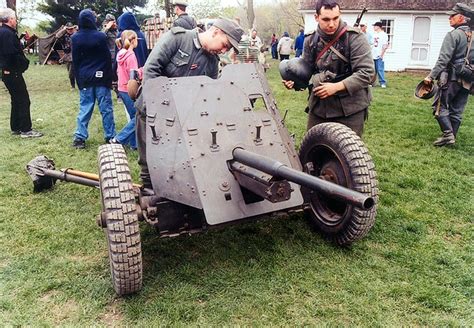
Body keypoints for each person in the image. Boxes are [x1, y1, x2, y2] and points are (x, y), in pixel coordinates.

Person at [136, 18, 244, 189]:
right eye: (224, 44)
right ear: (215, 32)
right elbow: (151, 68)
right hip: (153, 108)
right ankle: (149, 185)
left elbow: (208, 92)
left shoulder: (212, 62)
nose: (223, 50)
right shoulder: (178, 38)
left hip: (183, 116)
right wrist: (156, 105)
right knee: (150, 154)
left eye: (228, 49)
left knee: (176, 157)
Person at [282, 0, 374, 137]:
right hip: (319, 107)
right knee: (313, 149)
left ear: (340, 14)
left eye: (335, 18)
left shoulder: (355, 38)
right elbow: (307, 71)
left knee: (346, 154)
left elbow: (367, 72)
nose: (331, 24)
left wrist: (336, 87)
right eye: (326, 19)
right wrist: (295, 82)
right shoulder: (310, 40)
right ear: (316, 17)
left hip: (350, 108)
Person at [424, 3, 473, 147]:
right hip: (468, 79)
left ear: (462, 18)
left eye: (453, 16)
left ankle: (447, 135)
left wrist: (431, 76)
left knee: (439, 107)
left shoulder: (453, 35)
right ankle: (452, 136)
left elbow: (443, 59)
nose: (449, 18)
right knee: (457, 110)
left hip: (451, 78)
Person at [71, 9, 115, 149]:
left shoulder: (75, 38)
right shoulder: (100, 36)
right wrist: (110, 78)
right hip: (101, 77)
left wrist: (78, 80)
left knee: (85, 108)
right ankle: (110, 136)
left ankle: (79, 138)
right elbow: (107, 58)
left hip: (85, 78)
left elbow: (76, 61)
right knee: (106, 109)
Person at [0, 8, 43, 138]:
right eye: (14, 18)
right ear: (10, 19)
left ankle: (16, 126)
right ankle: (26, 130)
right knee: (24, 100)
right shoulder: (7, 34)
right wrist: (23, 63)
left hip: (8, 72)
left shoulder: (4, 32)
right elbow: (11, 54)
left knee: (16, 100)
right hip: (13, 72)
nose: (16, 20)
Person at [109, 30, 142, 150]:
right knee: (139, 116)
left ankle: (134, 145)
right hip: (129, 89)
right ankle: (118, 139)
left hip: (121, 89)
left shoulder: (120, 54)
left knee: (134, 115)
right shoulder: (131, 55)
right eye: (137, 39)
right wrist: (142, 71)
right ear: (133, 40)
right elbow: (133, 76)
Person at [56, 22, 77, 89]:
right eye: (68, 29)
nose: (70, 30)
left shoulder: (77, 35)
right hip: (68, 56)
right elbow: (57, 36)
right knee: (70, 73)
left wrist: (76, 29)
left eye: (71, 29)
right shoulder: (64, 36)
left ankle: (81, 85)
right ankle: (72, 86)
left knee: (80, 72)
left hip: (78, 55)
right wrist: (64, 29)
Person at [372, 21, 389, 88]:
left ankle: (382, 83)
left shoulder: (384, 35)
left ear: (378, 27)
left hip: (379, 55)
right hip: (373, 54)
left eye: (374, 26)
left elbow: (385, 45)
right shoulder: (374, 34)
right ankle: (372, 83)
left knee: (380, 69)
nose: (374, 27)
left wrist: (382, 54)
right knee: (373, 70)